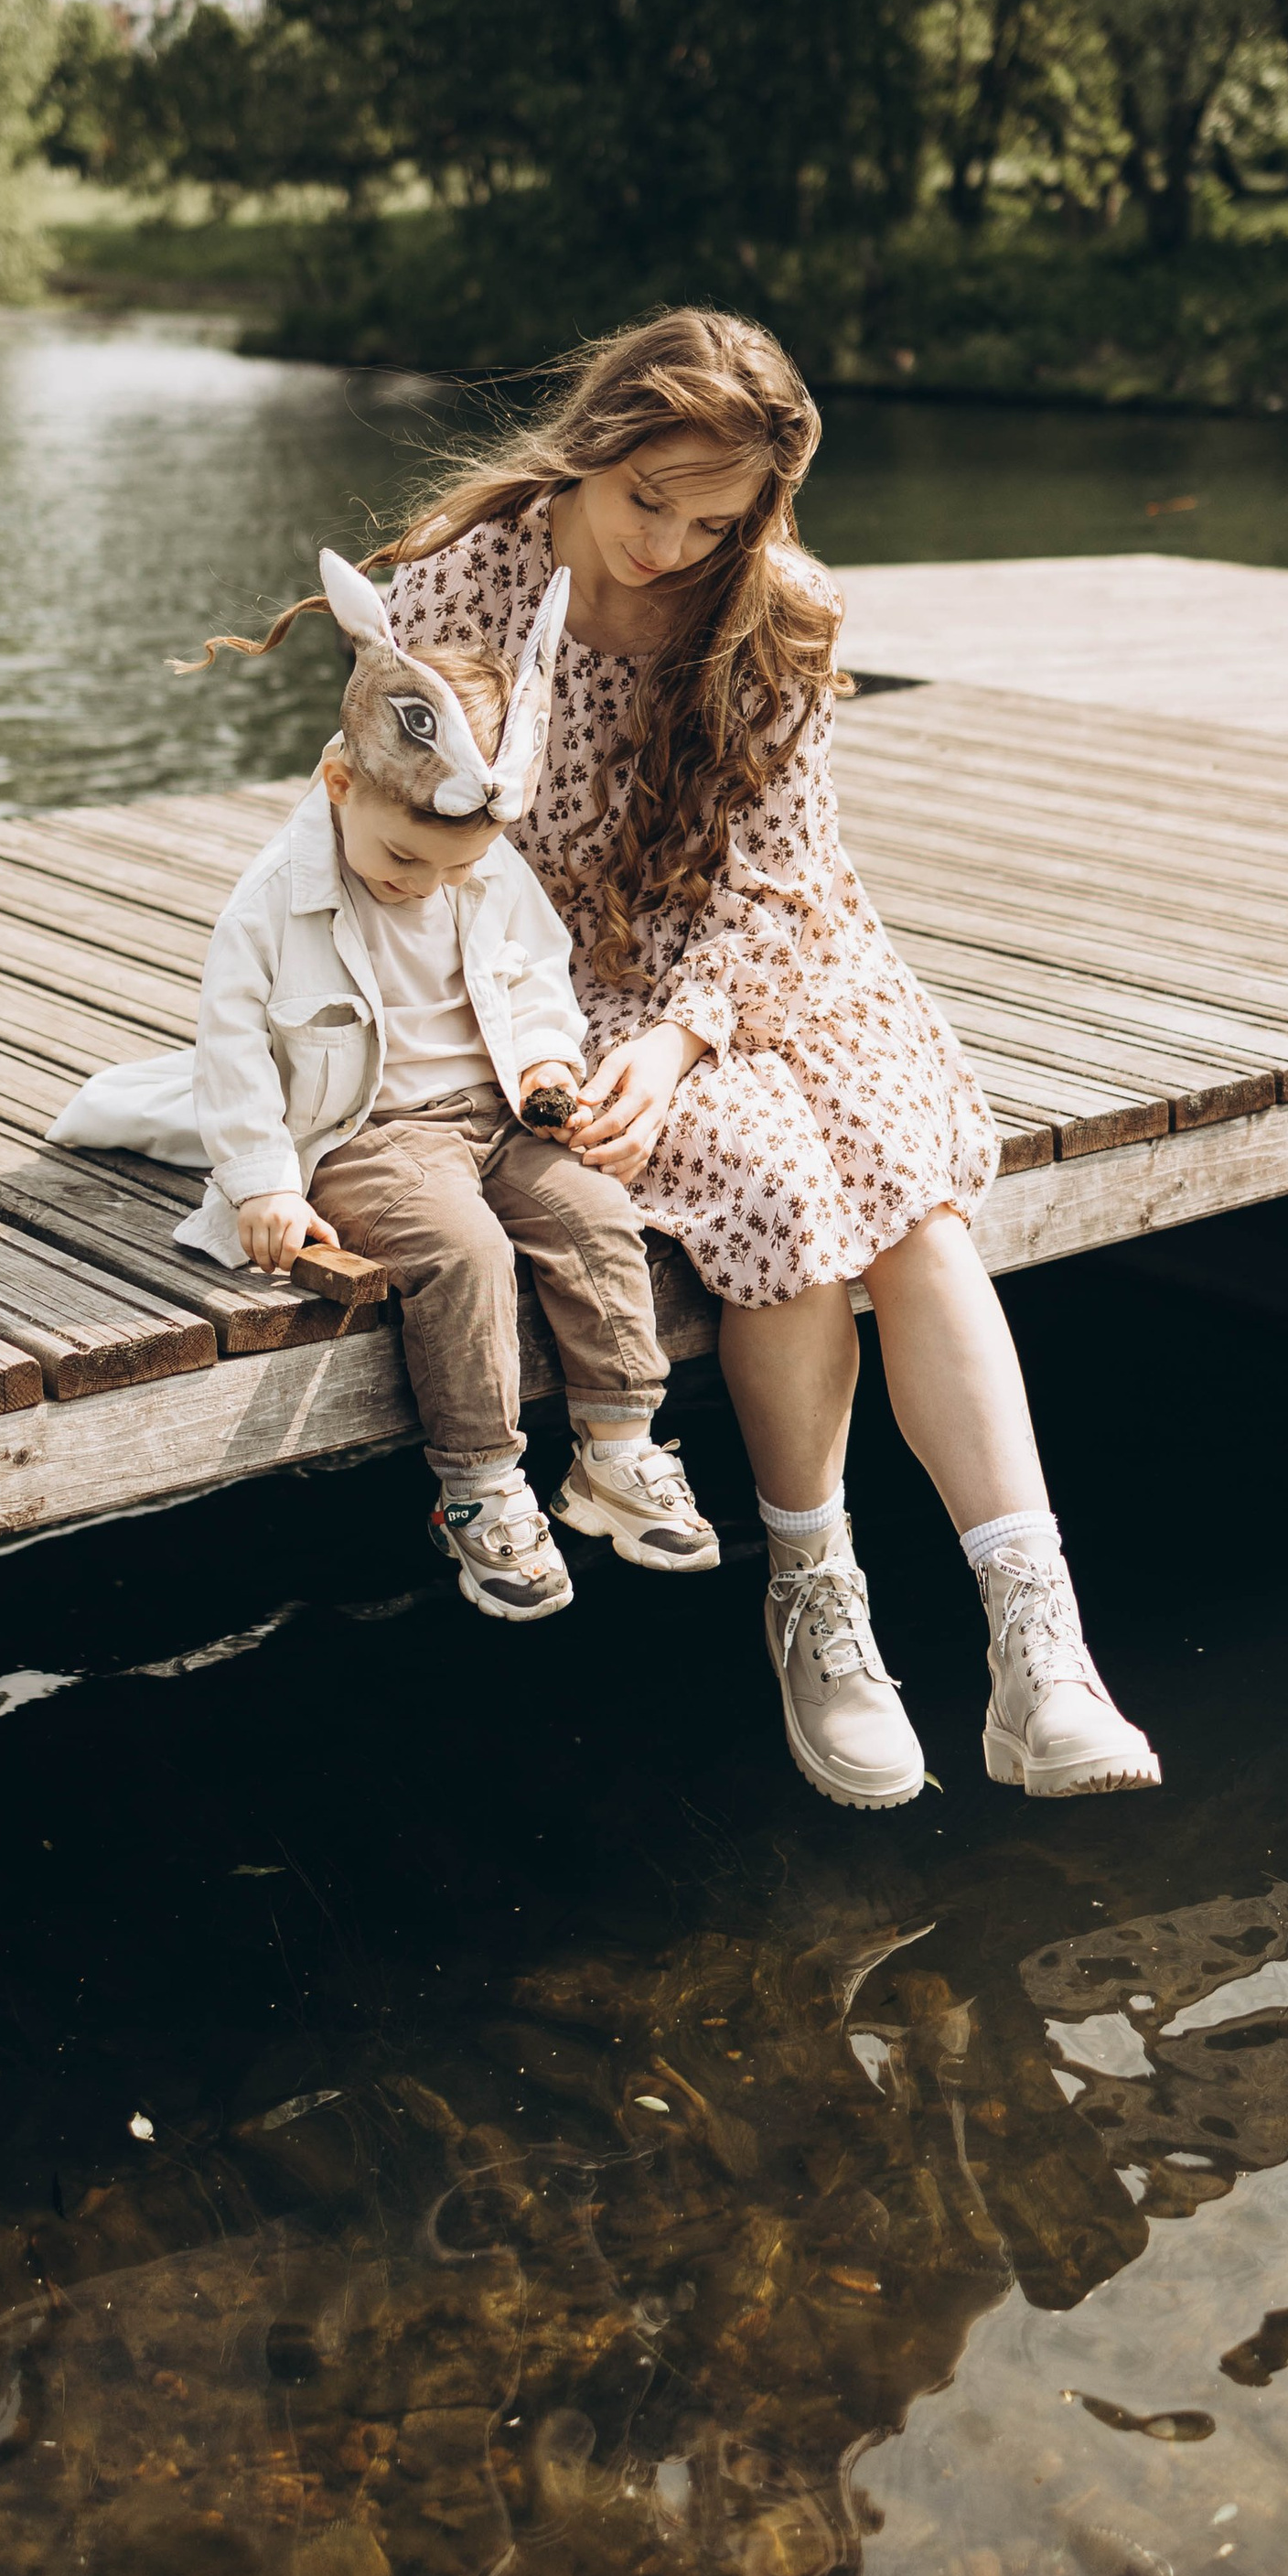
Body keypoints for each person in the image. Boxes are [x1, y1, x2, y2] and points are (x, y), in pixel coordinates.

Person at [370, 307, 1161, 1808]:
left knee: (911, 1196)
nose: (669, 542)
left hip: (771, 955)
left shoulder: (775, 611)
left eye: (713, 518)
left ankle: (1038, 1651)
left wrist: (690, 1029)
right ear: (586, 453)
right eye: (642, 499)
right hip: (557, 977)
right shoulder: (459, 586)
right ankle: (818, 1598)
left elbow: (782, 879)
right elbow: (400, 844)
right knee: (782, 1196)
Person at [51, 555, 718, 1622]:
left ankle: (617, 1448)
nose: (429, 884)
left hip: (496, 1112)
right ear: (338, 781)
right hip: (370, 1130)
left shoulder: (480, 866)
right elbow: (229, 1058)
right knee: (466, 1252)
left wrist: (549, 1064)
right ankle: (479, 1487)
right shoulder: (271, 905)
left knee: (595, 1212)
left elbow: (535, 977)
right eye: (409, 859)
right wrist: (266, 1184)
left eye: (457, 868)